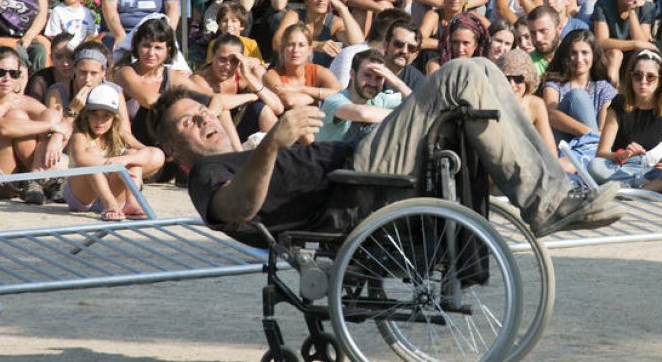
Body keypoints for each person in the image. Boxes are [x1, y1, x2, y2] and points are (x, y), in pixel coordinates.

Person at [156, 56, 622, 243]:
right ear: (177, 152)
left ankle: (548, 193)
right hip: (354, 184)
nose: (201, 119)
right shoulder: (204, 176)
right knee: (461, 74)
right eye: (186, 124)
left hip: (361, 166)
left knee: (481, 69)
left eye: (201, 111)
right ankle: (545, 201)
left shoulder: (240, 153)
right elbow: (238, 208)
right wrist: (273, 144)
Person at [0, 47, 75, 204]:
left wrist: (55, 139)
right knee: (17, 117)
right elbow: (3, 129)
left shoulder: (21, 101)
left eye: (13, 74)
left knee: (51, 113)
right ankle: (44, 179)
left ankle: (36, 179)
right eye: (0, 72)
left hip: (16, 176)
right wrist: (50, 127)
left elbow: (62, 123)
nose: (7, 78)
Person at [66, 84, 166, 221]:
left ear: (114, 118)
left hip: (111, 189)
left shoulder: (120, 134)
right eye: (94, 115)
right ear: (86, 116)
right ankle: (110, 205)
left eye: (105, 116)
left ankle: (131, 203)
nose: (99, 122)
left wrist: (125, 160)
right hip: (83, 195)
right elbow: (80, 157)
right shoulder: (81, 134)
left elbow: (148, 153)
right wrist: (113, 165)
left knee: (133, 156)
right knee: (91, 154)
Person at [589, 48, 662, 188]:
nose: (643, 81)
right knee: (595, 166)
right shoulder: (619, 103)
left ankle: (632, 187)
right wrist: (621, 155)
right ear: (630, 77)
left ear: (660, 79)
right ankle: (649, 187)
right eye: (637, 75)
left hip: (657, 168)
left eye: (650, 77)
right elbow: (602, 153)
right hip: (626, 167)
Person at [315, 48, 411, 144]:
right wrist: (402, 115)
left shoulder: (381, 99)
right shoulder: (335, 100)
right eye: (367, 75)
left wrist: (397, 82)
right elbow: (362, 114)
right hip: (328, 157)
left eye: (379, 77)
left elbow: (417, 108)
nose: (372, 83)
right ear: (352, 74)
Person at [539, 28, 616, 147]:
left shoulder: (603, 88)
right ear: (566, 56)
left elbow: (605, 131)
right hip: (562, 146)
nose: (579, 59)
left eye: (585, 53)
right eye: (573, 53)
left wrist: (592, 137)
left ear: (594, 55)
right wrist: (589, 134)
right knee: (578, 96)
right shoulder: (554, 84)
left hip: (592, 150)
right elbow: (551, 115)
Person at [592, 0, 657, 83]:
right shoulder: (603, 5)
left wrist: (632, 12)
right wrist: (636, 44)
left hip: (634, 59)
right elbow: (601, 42)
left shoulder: (648, 8)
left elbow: (642, 46)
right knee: (615, 54)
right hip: (607, 58)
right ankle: (613, 95)